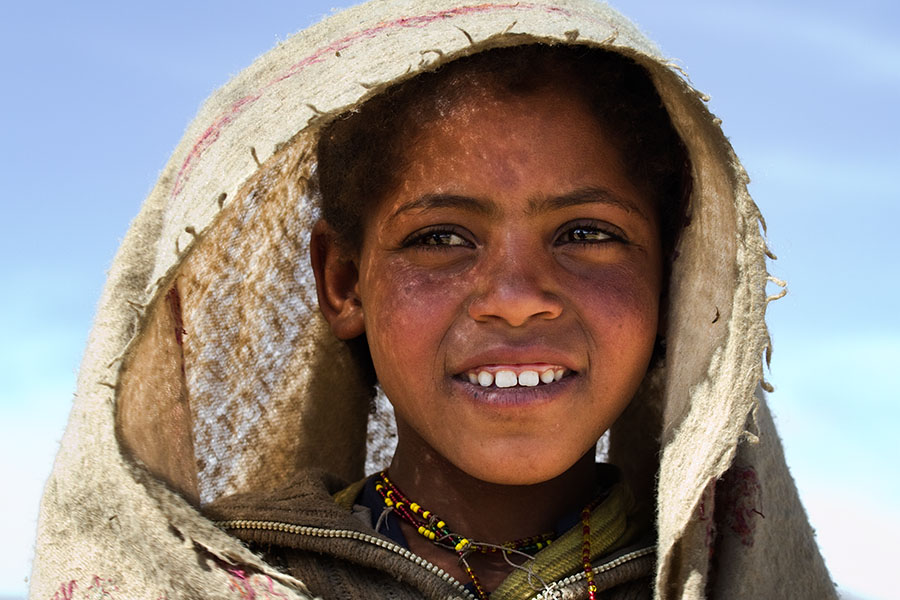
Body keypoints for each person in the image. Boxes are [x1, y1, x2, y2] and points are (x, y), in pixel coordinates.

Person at [31, 1, 836, 599]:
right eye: (441, 238)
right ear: (343, 282)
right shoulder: (219, 577)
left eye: (586, 232)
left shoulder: (724, 578)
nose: (518, 300)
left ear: (675, 281)